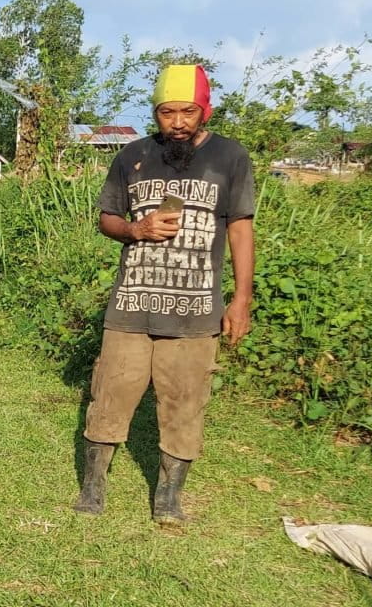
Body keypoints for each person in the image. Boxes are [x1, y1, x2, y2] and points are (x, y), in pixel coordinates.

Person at [74, 64, 255, 524]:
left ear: (205, 111)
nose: (177, 121)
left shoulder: (230, 159)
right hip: (131, 306)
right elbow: (107, 219)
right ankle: (93, 490)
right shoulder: (131, 155)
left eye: (187, 111)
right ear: (155, 112)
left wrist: (240, 299)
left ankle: (168, 498)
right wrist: (137, 228)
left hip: (196, 313)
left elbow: (240, 229)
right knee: (110, 395)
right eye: (167, 112)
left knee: (185, 402)